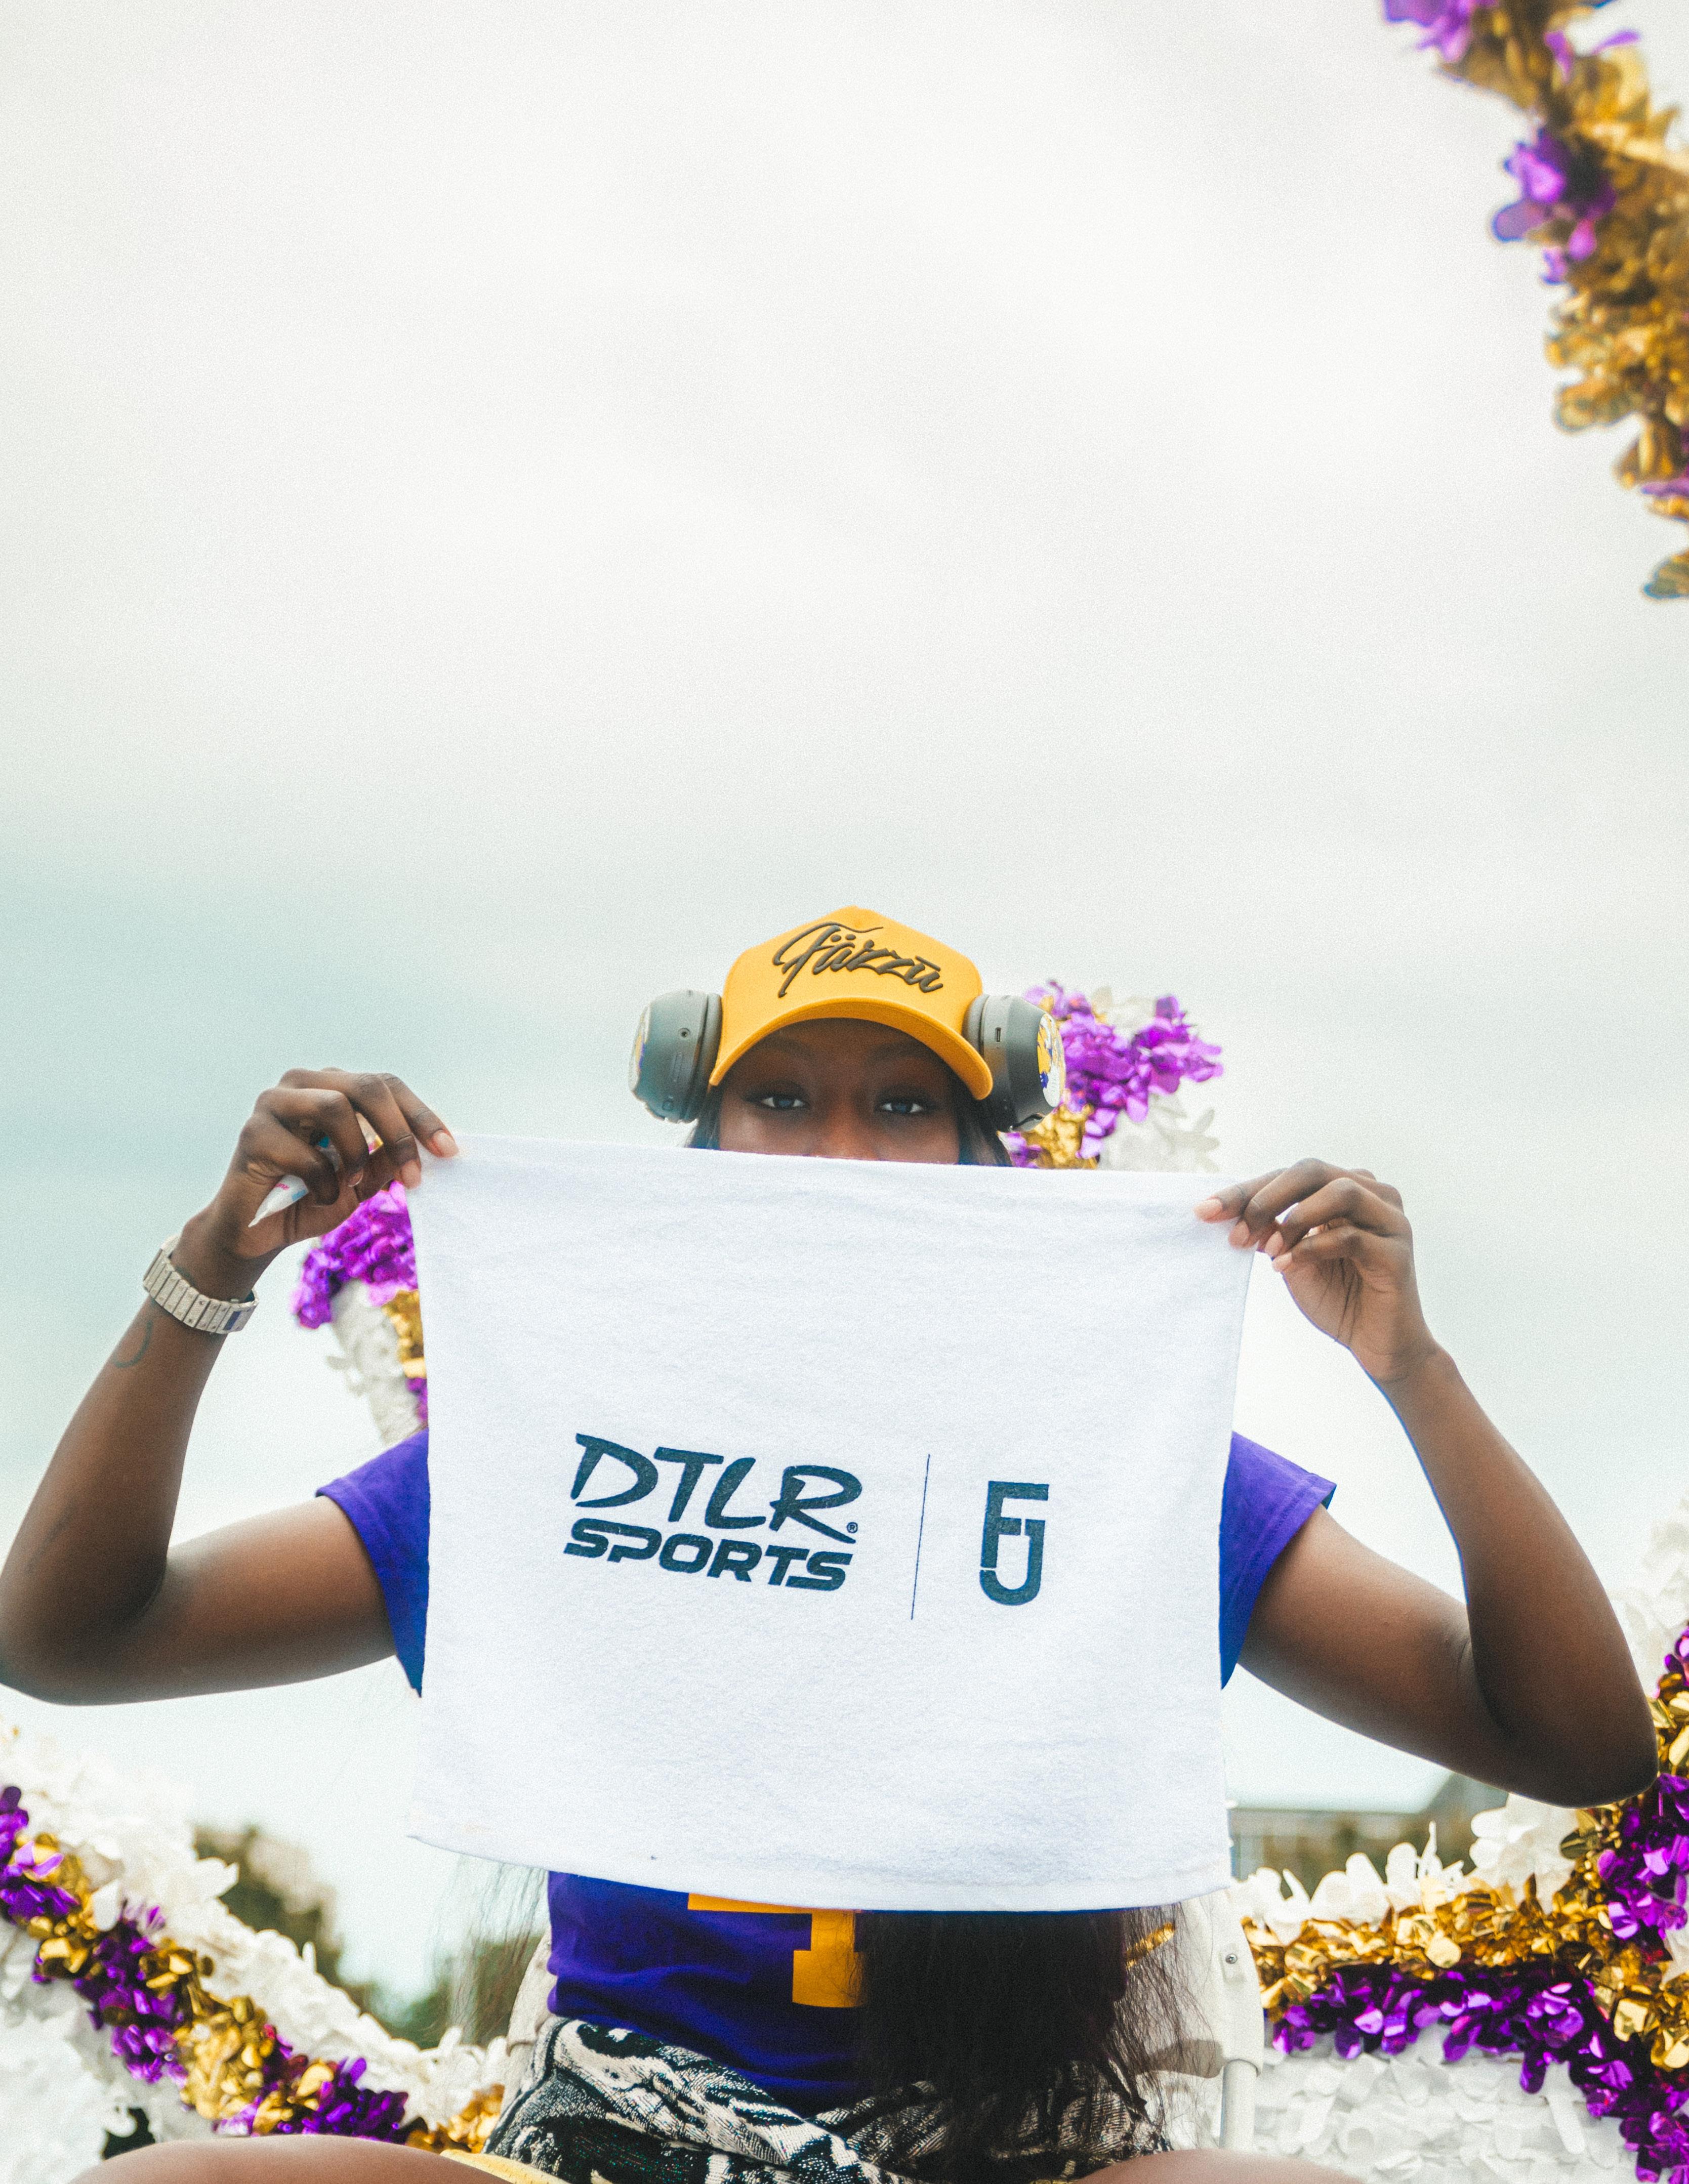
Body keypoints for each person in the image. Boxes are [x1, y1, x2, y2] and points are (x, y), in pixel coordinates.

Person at [1, 908, 1655, 2184]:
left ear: (989, 1161)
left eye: (904, 1105)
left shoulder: (1124, 1472)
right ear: (703, 1149)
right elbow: (71, 1635)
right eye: (781, 1098)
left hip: (1011, 2156)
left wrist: (1408, 1366)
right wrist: (214, 1263)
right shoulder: (555, 1466)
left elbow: (1574, 1740)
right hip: (616, 2147)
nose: (841, 1152)